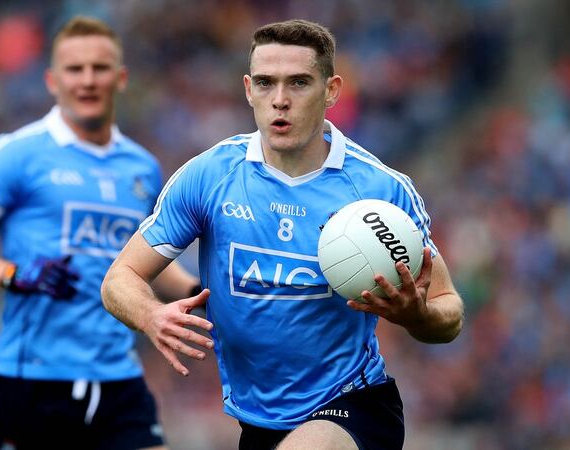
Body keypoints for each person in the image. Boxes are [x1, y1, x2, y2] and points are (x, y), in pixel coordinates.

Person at [101, 19, 465, 450]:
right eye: (266, 83)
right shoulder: (209, 177)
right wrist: (150, 315)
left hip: (354, 405)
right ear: (248, 89)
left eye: (298, 83)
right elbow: (119, 279)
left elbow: (449, 311)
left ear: (331, 90)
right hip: (257, 421)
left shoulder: (379, 192)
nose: (280, 100)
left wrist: (417, 315)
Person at [0, 16, 199, 450]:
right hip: (32, 381)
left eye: (100, 67)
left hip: (117, 378)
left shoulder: (142, 167)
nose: (87, 80)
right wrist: (16, 274)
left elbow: (138, 255)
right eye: (75, 69)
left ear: (121, 77)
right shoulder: (16, 154)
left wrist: (194, 288)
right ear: (53, 80)